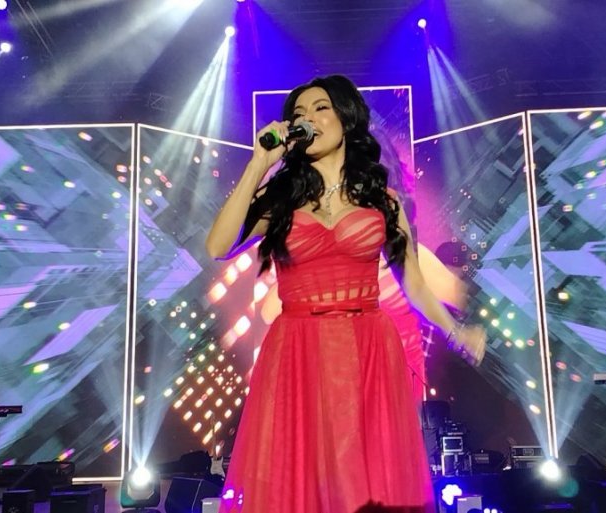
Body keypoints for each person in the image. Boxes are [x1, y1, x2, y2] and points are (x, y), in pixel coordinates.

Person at [205, 75, 487, 513]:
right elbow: (218, 246)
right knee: (302, 476)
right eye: (299, 113)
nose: (309, 119)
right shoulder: (280, 200)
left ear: (345, 118)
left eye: (320, 108)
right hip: (298, 347)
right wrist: (259, 164)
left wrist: (455, 330)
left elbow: (413, 282)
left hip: (367, 345)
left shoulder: (383, 202)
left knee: (361, 474)